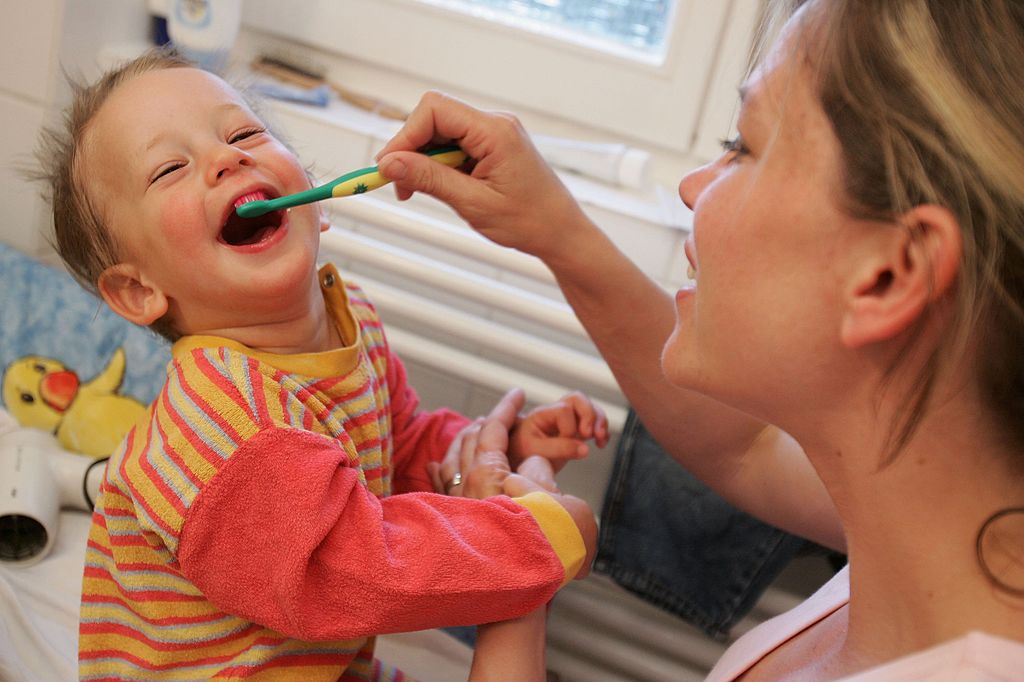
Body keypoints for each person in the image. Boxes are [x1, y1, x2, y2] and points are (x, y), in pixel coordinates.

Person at [374, 0, 1024, 677]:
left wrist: (509, 566)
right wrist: (554, 229)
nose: (691, 188)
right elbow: (744, 446)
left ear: (890, 275)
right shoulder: (950, 514)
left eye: (743, 148)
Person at [33, 48, 611, 680]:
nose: (228, 157)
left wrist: (488, 443)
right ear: (140, 291)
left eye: (245, 133)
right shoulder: (222, 432)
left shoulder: (350, 318)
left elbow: (395, 448)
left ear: (316, 201)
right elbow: (352, 568)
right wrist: (531, 537)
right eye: (171, 168)